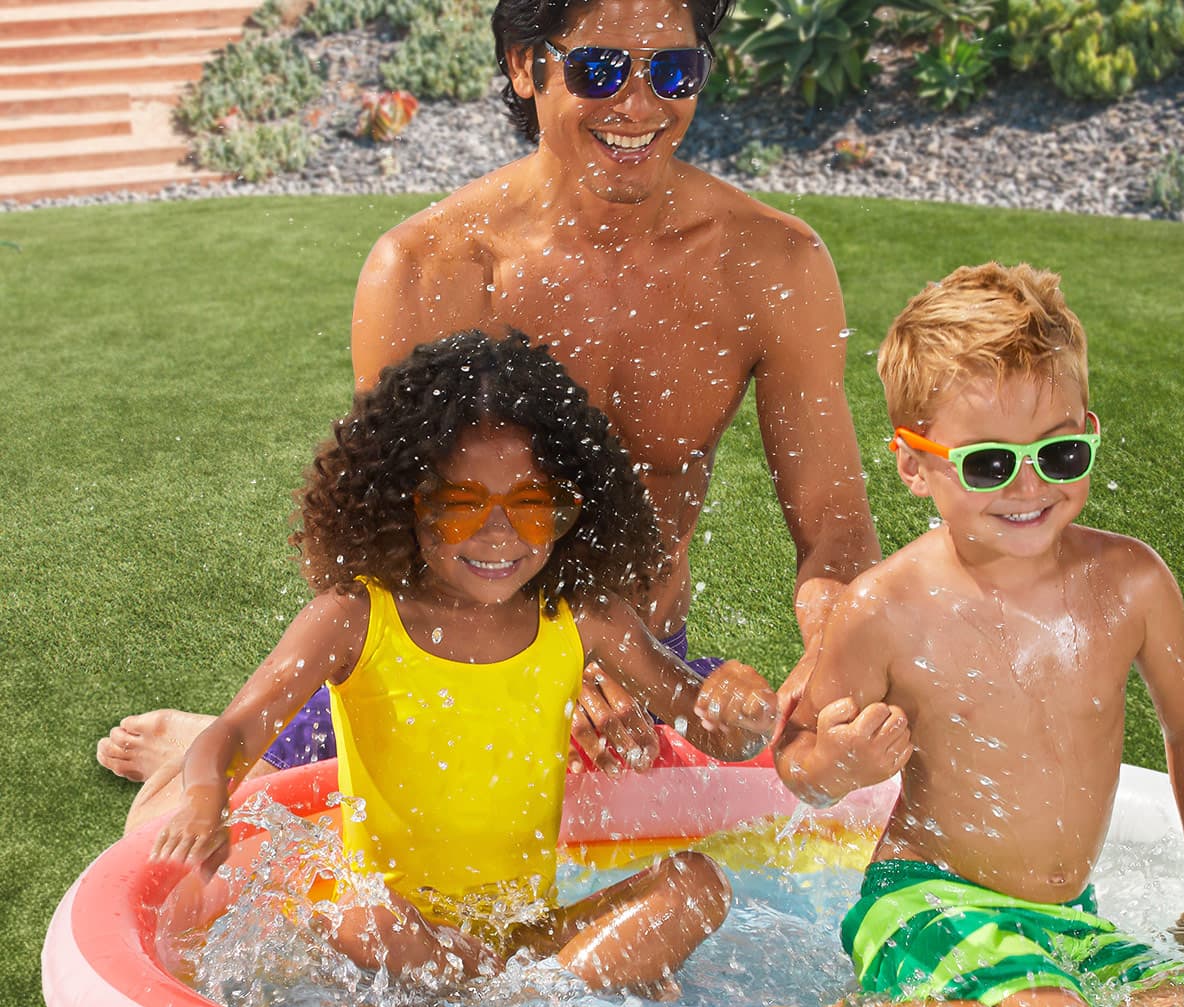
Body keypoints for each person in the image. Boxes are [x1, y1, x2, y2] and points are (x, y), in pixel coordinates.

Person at [99, 0, 880, 821]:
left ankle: (287, 739)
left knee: (795, 787)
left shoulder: (770, 262)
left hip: (643, 663)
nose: (643, 105)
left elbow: (836, 532)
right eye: (600, 69)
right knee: (184, 822)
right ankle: (273, 736)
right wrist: (547, 667)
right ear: (523, 65)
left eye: (674, 70)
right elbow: (392, 527)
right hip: (456, 665)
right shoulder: (431, 268)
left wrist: (834, 657)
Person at [152, 330, 777, 993]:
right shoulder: (356, 619)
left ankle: (522, 1002)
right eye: (459, 505)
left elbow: (710, 726)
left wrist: (740, 704)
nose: (499, 533)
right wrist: (203, 797)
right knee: (356, 916)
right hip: (399, 933)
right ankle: (550, 999)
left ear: (572, 506)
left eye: (532, 506)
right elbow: (233, 732)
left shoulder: (581, 615)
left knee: (697, 884)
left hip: (522, 939)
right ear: (402, 500)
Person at [766, 263, 1184, 1007]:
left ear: (1087, 432)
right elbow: (797, 762)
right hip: (924, 902)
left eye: (1058, 455)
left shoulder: (1131, 583)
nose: (1027, 486)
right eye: (988, 463)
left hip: (1065, 916)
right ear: (914, 466)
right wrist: (843, 760)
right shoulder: (887, 607)